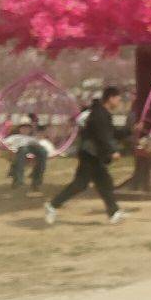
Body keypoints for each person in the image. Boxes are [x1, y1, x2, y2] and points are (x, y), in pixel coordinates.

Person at [45, 86, 126, 225]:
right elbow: (103, 136)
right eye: (118, 99)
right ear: (111, 98)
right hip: (91, 153)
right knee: (81, 184)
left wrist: (129, 131)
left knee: (104, 183)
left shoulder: (101, 112)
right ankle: (53, 205)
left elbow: (110, 133)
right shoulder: (99, 114)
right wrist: (112, 151)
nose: (119, 102)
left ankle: (114, 212)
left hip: (93, 153)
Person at [6, 120, 53, 189]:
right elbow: (5, 143)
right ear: (19, 129)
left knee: (43, 151)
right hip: (19, 152)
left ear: (30, 129)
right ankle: (19, 180)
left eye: (27, 128)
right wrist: (9, 149)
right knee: (23, 148)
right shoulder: (14, 137)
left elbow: (39, 144)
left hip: (32, 152)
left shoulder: (32, 138)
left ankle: (37, 181)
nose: (25, 130)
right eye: (23, 128)